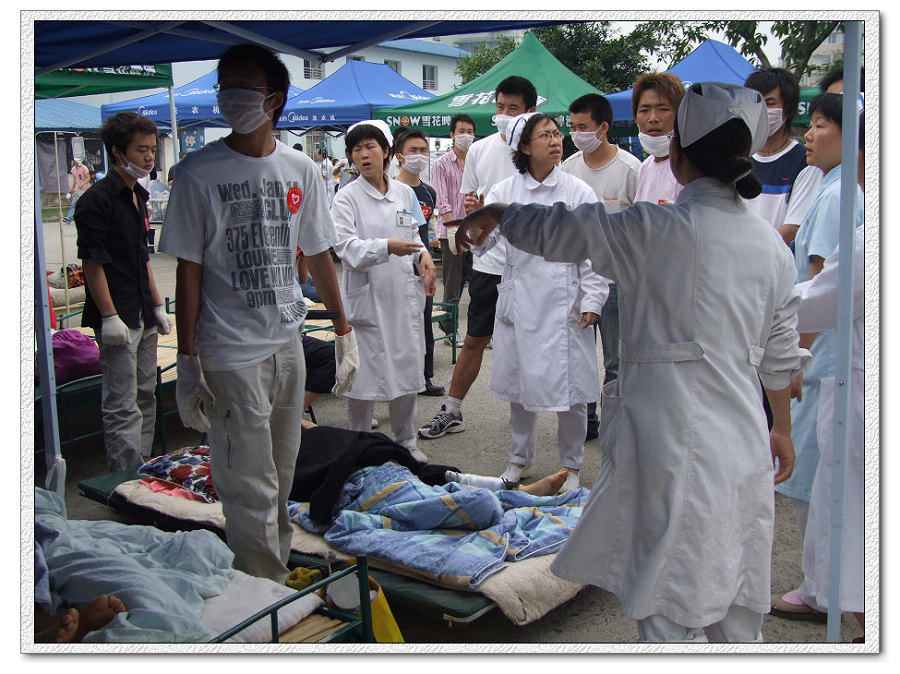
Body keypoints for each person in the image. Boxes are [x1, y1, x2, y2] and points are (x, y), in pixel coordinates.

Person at [457, 82, 809, 642]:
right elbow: (781, 356)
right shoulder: (768, 244)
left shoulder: (658, 228)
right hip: (743, 438)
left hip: (671, 437)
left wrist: (499, 212)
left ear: (682, 155)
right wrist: (782, 429)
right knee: (737, 598)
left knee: (670, 600)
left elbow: (565, 231)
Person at [158, 43, 355, 584]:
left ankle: (276, 563)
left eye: (245, 86)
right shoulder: (197, 172)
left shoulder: (301, 169)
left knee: (282, 468)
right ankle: (260, 587)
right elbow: (188, 271)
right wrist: (189, 358)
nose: (232, 96)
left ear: (275, 99)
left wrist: (342, 329)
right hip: (228, 350)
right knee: (246, 478)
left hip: (285, 341)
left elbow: (317, 252)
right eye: (226, 84)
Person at [472, 113, 607, 494]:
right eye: (545, 135)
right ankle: (519, 459)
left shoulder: (578, 192)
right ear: (525, 147)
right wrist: (472, 225)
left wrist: (593, 298)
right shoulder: (503, 191)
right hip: (522, 300)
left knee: (574, 392)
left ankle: (571, 465)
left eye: (557, 133)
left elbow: (596, 249)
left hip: (567, 302)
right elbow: (483, 245)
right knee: (521, 388)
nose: (555, 140)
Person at [771, 119, 865, 640]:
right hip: (840, 363)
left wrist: (787, 355)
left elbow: (819, 291)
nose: (810, 133)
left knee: (841, 498)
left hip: (848, 375)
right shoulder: (836, 196)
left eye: (824, 125)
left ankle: (861, 621)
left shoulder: (853, 215)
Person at [419, 75, 537, 440]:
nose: (503, 114)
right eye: (499, 107)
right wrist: (473, 206)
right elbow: (470, 201)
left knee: (529, 341)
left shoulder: (538, 148)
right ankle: (452, 409)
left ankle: (528, 418)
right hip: (488, 263)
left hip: (529, 265)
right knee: (474, 339)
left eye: (512, 108)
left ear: (530, 112)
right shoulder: (481, 150)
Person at [331, 119, 437, 463]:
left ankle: (406, 440)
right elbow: (345, 248)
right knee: (363, 376)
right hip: (368, 299)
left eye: (370, 147)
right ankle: (358, 442)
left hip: (402, 296)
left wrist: (424, 257)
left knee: (406, 369)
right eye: (357, 149)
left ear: (386, 152)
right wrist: (386, 246)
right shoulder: (346, 198)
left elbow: (416, 237)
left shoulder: (404, 193)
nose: (364, 154)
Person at [74, 111, 173, 472]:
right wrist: (109, 315)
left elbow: (140, 256)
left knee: (146, 392)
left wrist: (158, 302)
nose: (149, 157)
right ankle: (124, 475)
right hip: (117, 313)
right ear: (117, 152)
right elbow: (93, 263)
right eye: (141, 150)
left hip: (143, 310)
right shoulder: (96, 200)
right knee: (122, 401)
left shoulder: (139, 195)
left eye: (151, 149)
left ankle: (143, 466)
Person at [562, 93, 641, 440]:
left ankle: (614, 421)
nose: (576, 133)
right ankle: (586, 420)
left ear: (604, 127)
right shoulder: (568, 168)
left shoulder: (630, 169)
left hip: (616, 279)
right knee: (578, 357)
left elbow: (641, 229)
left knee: (615, 358)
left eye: (583, 127)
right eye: (572, 126)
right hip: (578, 278)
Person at [393, 128, 445, 397]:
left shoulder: (428, 192)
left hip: (422, 263)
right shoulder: (393, 191)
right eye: (413, 151)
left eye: (423, 150)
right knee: (399, 324)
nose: (419, 156)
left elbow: (424, 230)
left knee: (424, 320)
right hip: (398, 265)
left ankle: (424, 377)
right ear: (399, 156)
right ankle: (399, 379)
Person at [743, 67, 821, 246]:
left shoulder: (805, 161)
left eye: (770, 103)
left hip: (776, 265)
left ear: (790, 109)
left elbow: (792, 228)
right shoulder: (739, 157)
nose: (761, 111)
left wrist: (751, 255)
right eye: (756, 103)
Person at [431, 113, 476, 341]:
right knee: (453, 283)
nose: (466, 136)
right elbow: (442, 199)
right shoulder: (441, 164)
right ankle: (450, 329)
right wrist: (452, 229)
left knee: (476, 281)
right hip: (451, 232)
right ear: (452, 134)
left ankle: (479, 332)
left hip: (474, 232)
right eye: (461, 131)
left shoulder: (477, 162)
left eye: (469, 131)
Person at [631, 72, 685, 205]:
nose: (653, 118)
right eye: (644, 110)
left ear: (681, 115)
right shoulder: (645, 167)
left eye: (663, 109)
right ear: (636, 118)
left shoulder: (690, 169)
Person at [64, 157, 91, 223]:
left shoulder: (84, 168)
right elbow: (75, 180)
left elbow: (88, 178)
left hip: (84, 189)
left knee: (85, 204)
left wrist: (83, 184)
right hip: (77, 189)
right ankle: (69, 218)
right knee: (74, 203)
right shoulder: (73, 169)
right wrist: (72, 188)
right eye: (75, 160)